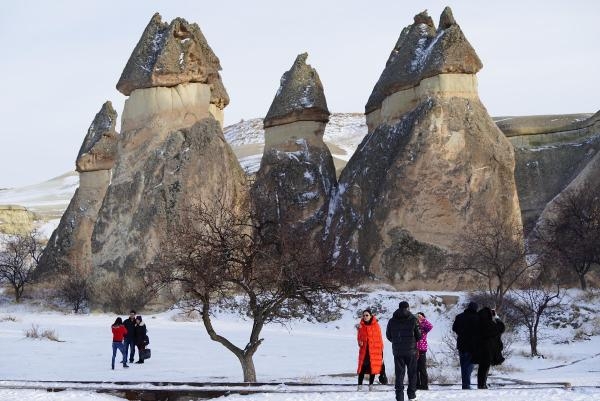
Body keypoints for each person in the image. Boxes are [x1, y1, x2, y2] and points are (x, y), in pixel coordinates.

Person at [386, 301, 421, 401]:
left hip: (398, 352)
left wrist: (397, 342)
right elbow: (418, 336)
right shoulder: (413, 319)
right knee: (412, 373)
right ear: (408, 308)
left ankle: (399, 397)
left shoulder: (392, 320)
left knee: (399, 375)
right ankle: (411, 395)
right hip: (411, 352)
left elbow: (388, 336)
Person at [474, 307, 505, 389]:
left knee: (482, 368)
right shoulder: (490, 324)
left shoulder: (477, 324)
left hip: (479, 349)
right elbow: (501, 328)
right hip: (489, 350)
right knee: (485, 367)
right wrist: (496, 318)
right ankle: (482, 385)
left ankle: (481, 384)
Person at [452, 301, 480, 389]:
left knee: (463, 365)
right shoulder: (477, 317)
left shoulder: (459, 316)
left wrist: (460, 333)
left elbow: (454, 328)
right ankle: (466, 385)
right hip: (472, 345)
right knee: (469, 366)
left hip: (461, 344)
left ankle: (465, 384)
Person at [356, 309, 384, 391]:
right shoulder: (361, 326)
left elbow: (379, 339)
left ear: (371, 316)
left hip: (374, 350)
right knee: (362, 368)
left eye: (367, 315)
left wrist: (381, 350)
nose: (365, 317)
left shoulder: (376, 325)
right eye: (363, 315)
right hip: (364, 350)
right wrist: (359, 341)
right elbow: (359, 337)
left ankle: (371, 385)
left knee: (373, 367)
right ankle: (359, 385)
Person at [416, 312, 433, 390]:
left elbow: (430, 326)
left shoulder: (424, 327)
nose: (419, 318)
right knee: (415, 369)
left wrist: (423, 320)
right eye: (418, 317)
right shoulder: (414, 325)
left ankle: (424, 385)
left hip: (422, 349)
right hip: (414, 349)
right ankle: (416, 385)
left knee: (422, 368)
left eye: (420, 316)